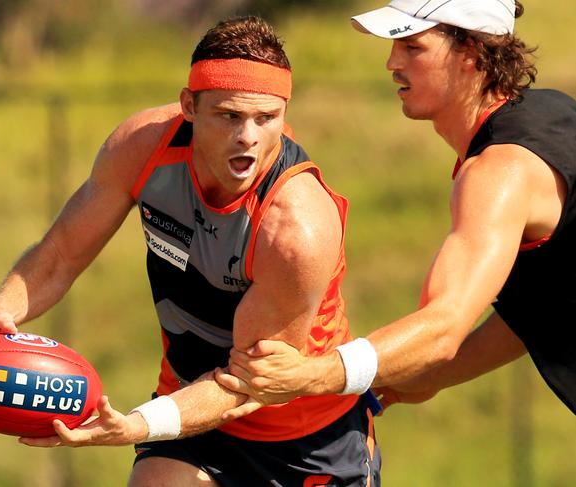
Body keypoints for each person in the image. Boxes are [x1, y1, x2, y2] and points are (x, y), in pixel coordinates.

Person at [0, 15, 383, 487]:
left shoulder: (296, 228)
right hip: (189, 404)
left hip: (304, 437)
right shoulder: (144, 146)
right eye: (229, 115)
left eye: (266, 118)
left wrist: (137, 424)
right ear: (189, 105)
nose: (248, 137)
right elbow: (61, 254)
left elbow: (247, 383)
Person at [216, 0, 576, 420]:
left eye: (413, 46)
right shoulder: (551, 111)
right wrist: (430, 376)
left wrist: (311, 375)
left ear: (472, 53)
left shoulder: (498, 173)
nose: (392, 62)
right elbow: (540, 310)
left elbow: (442, 327)